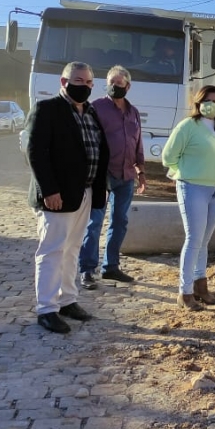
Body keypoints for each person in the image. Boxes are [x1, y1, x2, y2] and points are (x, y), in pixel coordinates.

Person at [26, 61, 108, 334]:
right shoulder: (48, 109)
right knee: (52, 251)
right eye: (78, 80)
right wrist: (49, 190)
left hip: (83, 192)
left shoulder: (90, 112)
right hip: (57, 196)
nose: (84, 86)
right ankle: (46, 309)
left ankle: (68, 300)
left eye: (88, 82)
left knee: (73, 249)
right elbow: (36, 152)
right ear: (64, 82)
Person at [161, 85, 215, 310]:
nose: (211, 104)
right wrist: (182, 172)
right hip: (193, 188)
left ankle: (202, 287)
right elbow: (168, 157)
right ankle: (185, 292)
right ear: (199, 102)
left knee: (204, 240)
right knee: (193, 239)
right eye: (207, 100)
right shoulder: (188, 127)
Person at [80, 66, 146, 290]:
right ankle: (87, 270)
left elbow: (137, 142)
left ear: (128, 86)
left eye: (119, 84)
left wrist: (141, 170)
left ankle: (111, 267)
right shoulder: (96, 108)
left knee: (120, 222)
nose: (114, 87)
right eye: (111, 82)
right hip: (101, 175)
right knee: (94, 222)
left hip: (125, 175)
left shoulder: (133, 112)